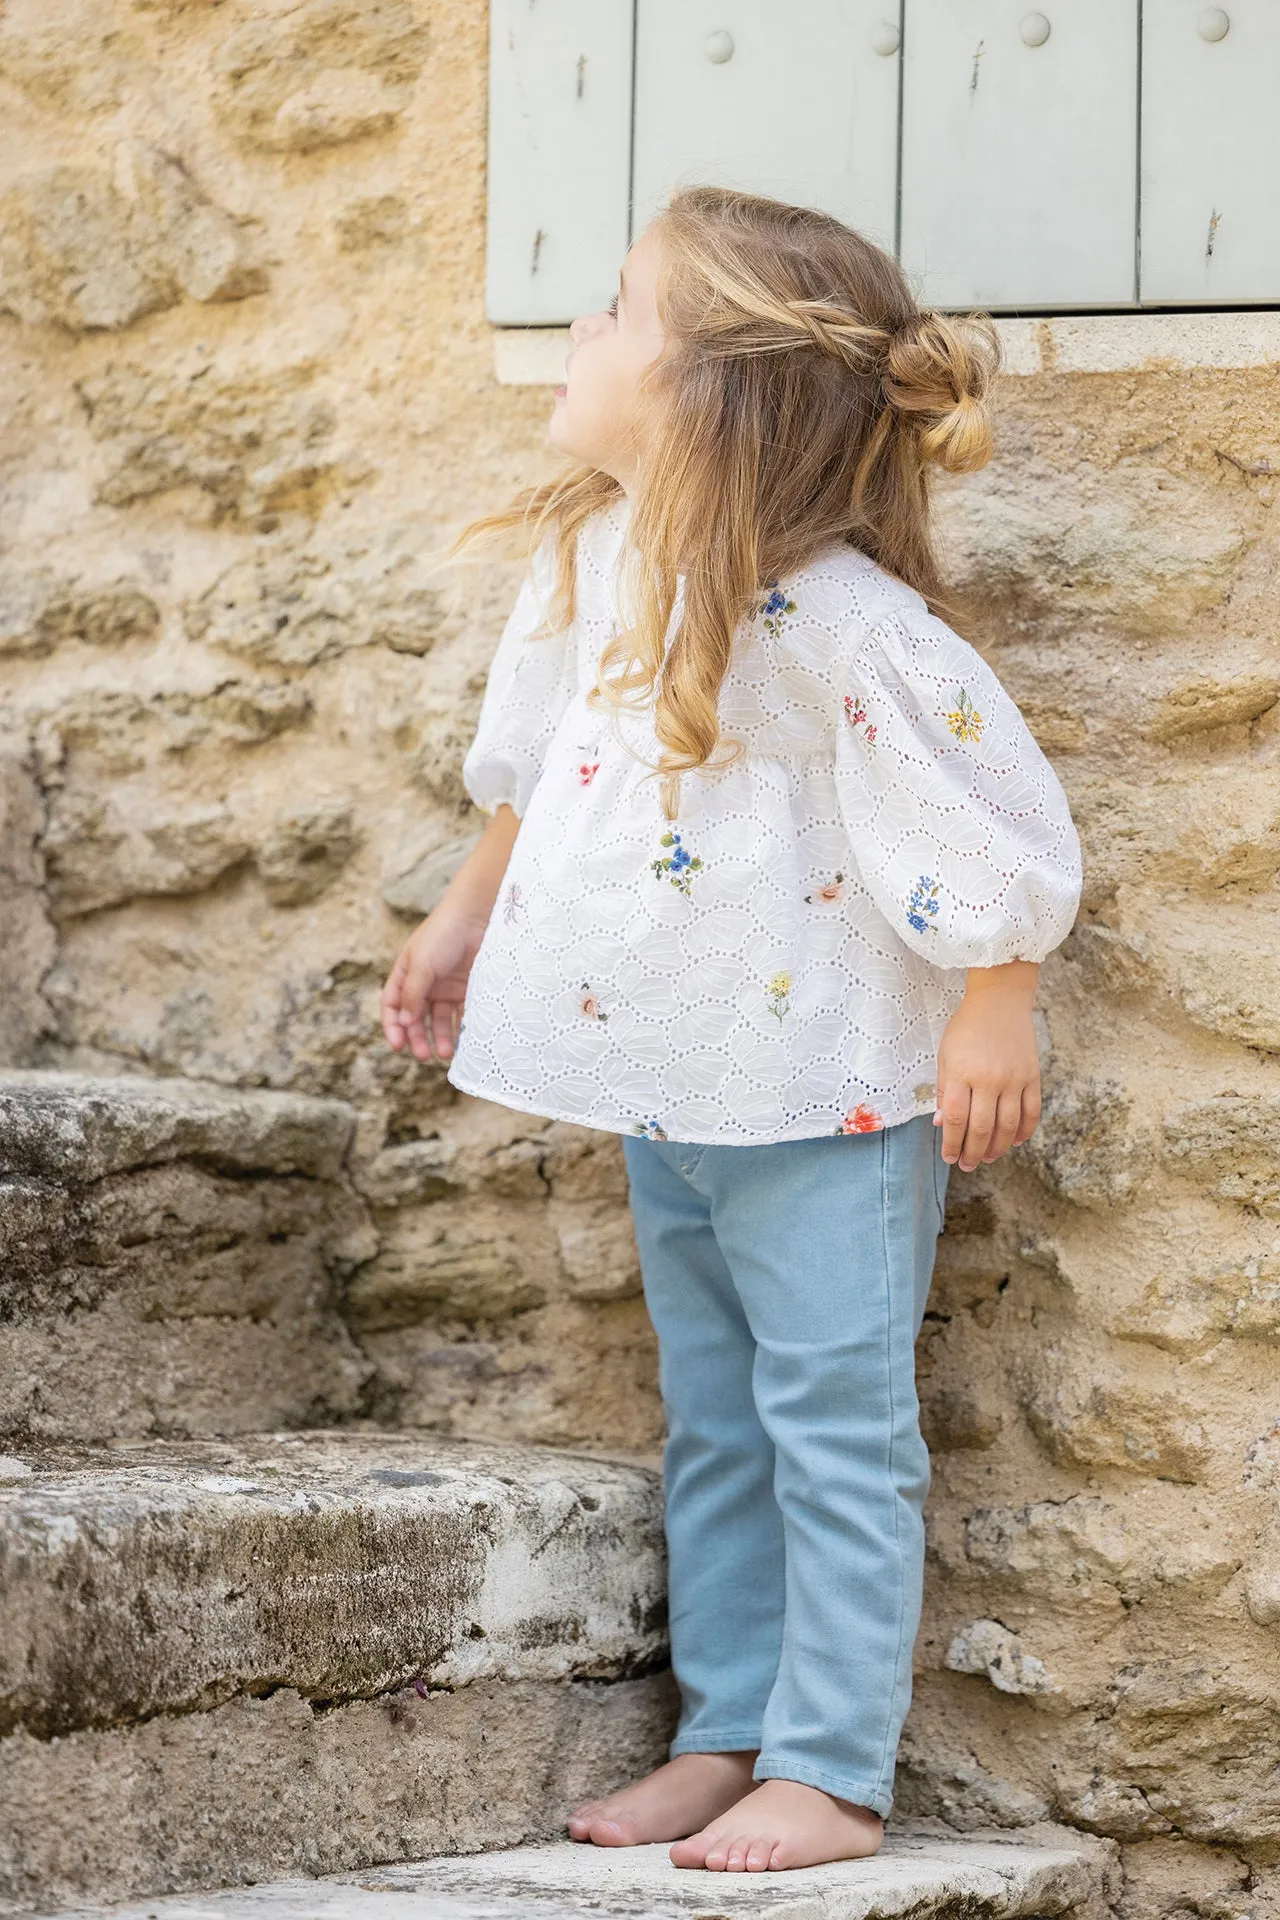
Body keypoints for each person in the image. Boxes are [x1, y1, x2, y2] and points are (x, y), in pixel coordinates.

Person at [381, 188, 1082, 1875]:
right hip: (666, 1075)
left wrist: (998, 998)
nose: (575, 334)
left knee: (833, 1421)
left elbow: (987, 817)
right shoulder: (591, 561)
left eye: (617, 311)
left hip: (829, 1097)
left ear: (714, 390)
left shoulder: (841, 622)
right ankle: (723, 1730)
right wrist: (464, 918)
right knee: (713, 1414)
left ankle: (829, 1770)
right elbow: (543, 772)